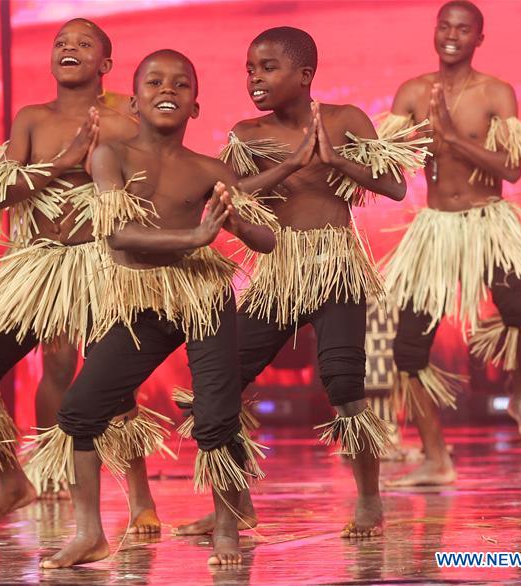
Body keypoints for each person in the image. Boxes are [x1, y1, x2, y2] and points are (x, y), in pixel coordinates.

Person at [177, 26, 427, 539]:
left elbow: (396, 186)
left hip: (336, 262)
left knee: (343, 383)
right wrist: (290, 164)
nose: (255, 79)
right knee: (220, 382)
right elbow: (229, 193)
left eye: (268, 68)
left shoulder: (346, 119)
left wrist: (336, 160)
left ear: (305, 75)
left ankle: (370, 500)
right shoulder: (247, 133)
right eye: (250, 69)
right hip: (280, 270)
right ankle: (237, 502)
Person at [30, 49, 277, 568]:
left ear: (196, 106)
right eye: (156, 82)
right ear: (134, 102)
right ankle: (90, 534)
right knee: (78, 412)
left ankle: (228, 529)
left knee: (216, 417)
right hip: (142, 299)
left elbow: (266, 239)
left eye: (182, 84)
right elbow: (119, 234)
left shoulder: (209, 169)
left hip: (203, 296)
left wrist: (234, 225)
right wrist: (195, 235)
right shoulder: (110, 156)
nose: (169, 89)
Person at [0, 18, 172, 531]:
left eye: (83, 43)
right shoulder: (31, 119)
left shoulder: (122, 126)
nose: (69, 48)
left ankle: (140, 500)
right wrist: (64, 161)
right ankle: (12, 481)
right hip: (36, 268)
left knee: (113, 384)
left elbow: (150, 194)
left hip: (100, 266)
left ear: (105, 66)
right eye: (61, 42)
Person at [380, 1, 521, 487]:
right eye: (445, 26)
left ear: (480, 38)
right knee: (407, 351)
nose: (452, 35)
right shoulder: (412, 93)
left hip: (488, 223)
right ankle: (436, 458)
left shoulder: (496, 92)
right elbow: (384, 163)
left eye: (463, 29)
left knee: (520, 312)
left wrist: (453, 139)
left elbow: (513, 169)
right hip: (436, 231)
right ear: (434, 32)